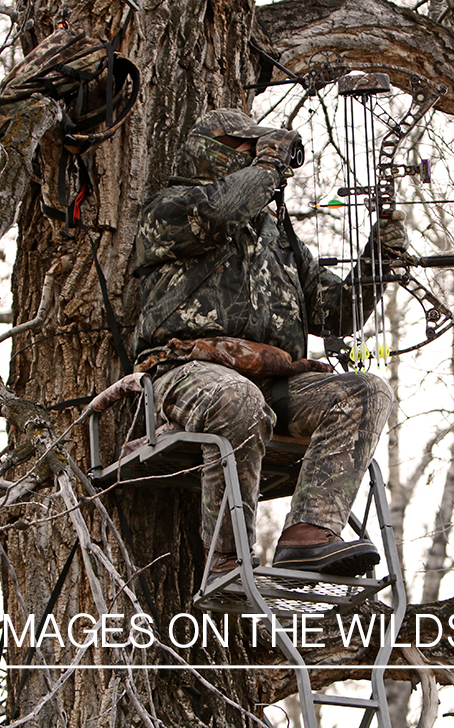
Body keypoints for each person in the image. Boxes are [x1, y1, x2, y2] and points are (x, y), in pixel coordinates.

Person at [131, 109, 406, 579]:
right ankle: (226, 558)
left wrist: (377, 260)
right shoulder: (173, 207)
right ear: (212, 150)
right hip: (186, 373)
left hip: (275, 383)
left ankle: (309, 535)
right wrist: (271, 164)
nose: (264, 159)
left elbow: (336, 314)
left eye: (265, 149)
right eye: (249, 147)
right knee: (238, 398)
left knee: (366, 390)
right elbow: (221, 210)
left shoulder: (279, 239)